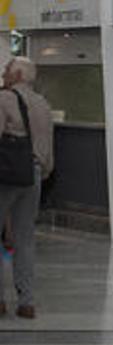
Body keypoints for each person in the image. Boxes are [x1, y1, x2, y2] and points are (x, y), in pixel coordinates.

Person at [0, 57, 53, 319]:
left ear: (18, 74)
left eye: (7, 70)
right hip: (33, 175)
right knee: (25, 238)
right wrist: (42, 172)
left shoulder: (4, 99)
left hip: (6, 176)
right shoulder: (43, 103)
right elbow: (48, 147)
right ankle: (26, 302)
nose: (3, 73)